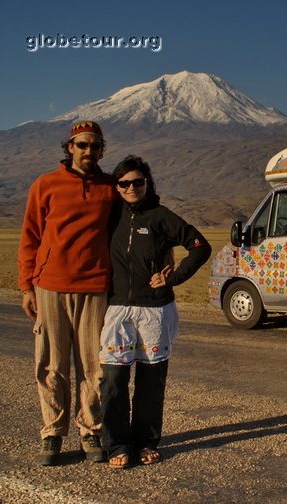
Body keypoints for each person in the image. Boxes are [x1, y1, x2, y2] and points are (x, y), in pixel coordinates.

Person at [100, 155, 211, 469]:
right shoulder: (110, 215)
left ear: (147, 184)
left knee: (151, 381)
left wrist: (172, 278)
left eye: (138, 182)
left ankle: (146, 442)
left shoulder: (160, 216)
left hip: (155, 311)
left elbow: (200, 245)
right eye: (125, 183)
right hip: (117, 308)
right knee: (113, 379)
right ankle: (116, 445)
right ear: (117, 186)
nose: (132, 187)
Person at [17, 121, 114, 466]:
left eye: (95, 146)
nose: (89, 151)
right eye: (82, 145)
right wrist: (27, 285)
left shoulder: (110, 188)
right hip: (51, 286)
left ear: (102, 150)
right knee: (51, 363)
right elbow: (30, 235)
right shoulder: (45, 185)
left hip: (95, 286)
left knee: (94, 366)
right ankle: (52, 432)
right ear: (69, 148)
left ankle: (90, 428)